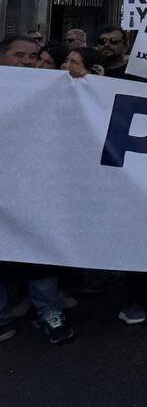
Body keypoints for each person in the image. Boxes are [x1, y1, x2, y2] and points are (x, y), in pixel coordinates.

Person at [0, 34, 75, 344]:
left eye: (33, 56)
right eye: (19, 55)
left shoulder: (52, 88)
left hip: (35, 185)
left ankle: (49, 311)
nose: (27, 62)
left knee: (40, 249)